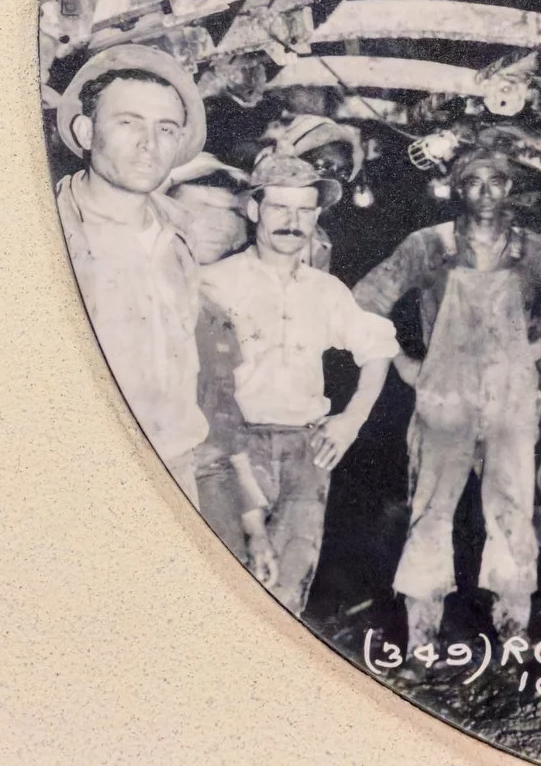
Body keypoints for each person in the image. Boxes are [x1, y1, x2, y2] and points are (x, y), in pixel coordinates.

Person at [353, 143, 541, 644]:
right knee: (431, 509)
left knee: (512, 507)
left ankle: (513, 628)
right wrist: (404, 364)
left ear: (510, 188)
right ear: (458, 188)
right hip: (445, 397)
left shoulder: (530, 249)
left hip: (509, 399)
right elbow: (364, 302)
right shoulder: (428, 245)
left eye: (496, 181)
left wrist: (538, 347)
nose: (485, 192)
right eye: (474, 181)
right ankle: (421, 636)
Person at [199, 153, 399, 616]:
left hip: (305, 453)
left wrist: (351, 420)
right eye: (280, 208)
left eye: (305, 210)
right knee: (225, 582)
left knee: (289, 593)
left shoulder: (326, 291)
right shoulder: (215, 282)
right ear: (254, 211)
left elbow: (378, 348)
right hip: (227, 450)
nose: (293, 221)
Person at [53, 44, 210, 501]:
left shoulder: (181, 233)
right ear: (85, 131)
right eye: (128, 122)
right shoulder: (50, 232)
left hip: (175, 467)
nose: (149, 144)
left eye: (166, 129)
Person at [165, 153, 278, 585]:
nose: (215, 224)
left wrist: (255, 531)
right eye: (198, 209)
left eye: (228, 212)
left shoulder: (216, 313)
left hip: (205, 478)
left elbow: (226, 426)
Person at [260, 114, 364, 272]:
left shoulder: (321, 241)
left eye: (343, 172)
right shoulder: (255, 219)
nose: (333, 178)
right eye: (324, 165)